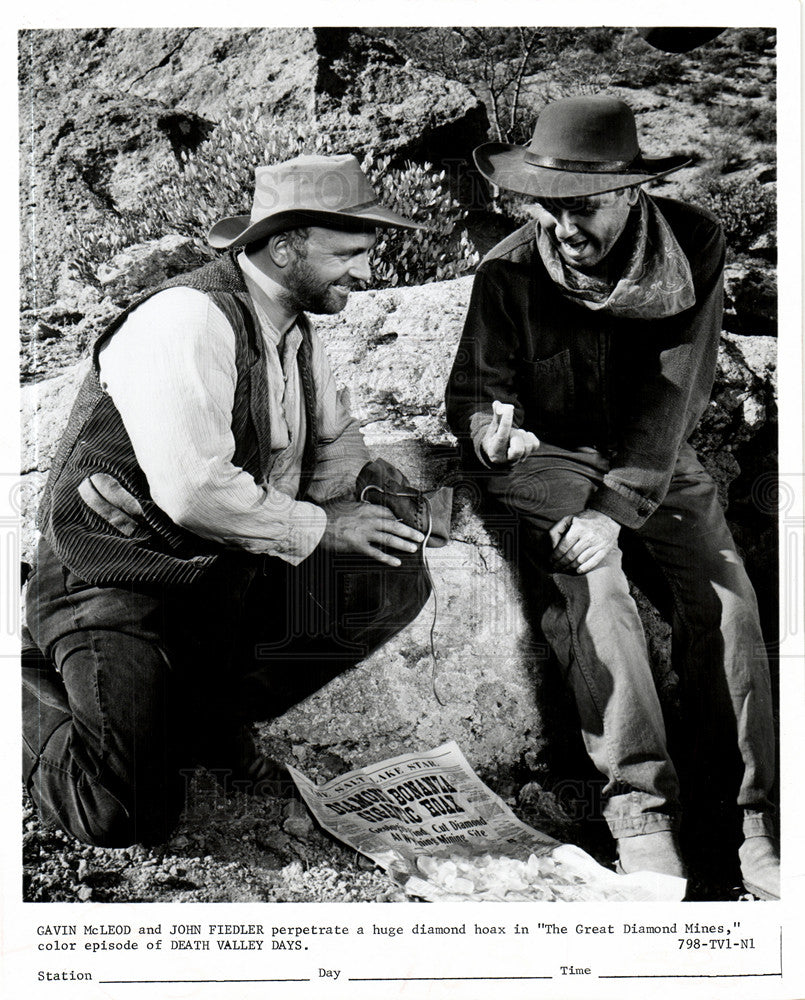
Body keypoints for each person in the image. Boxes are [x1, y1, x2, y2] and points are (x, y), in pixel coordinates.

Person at [23, 154, 432, 848]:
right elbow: (192, 491)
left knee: (385, 575)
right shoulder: (186, 318)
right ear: (282, 246)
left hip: (216, 586)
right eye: (348, 255)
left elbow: (337, 437)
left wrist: (360, 500)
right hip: (117, 586)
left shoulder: (295, 329)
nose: (364, 275)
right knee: (118, 813)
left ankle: (196, 718)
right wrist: (321, 523)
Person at [446, 96, 779, 899]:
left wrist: (616, 504)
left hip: (651, 455)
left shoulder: (691, 242)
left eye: (583, 206)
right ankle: (642, 816)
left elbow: (677, 390)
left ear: (631, 192)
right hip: (549, 456)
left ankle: (750, 824)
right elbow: (476, 391)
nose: (563, 227)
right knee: (596, 590)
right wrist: (491, 434)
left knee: (729, 605)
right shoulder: (509, 269)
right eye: (547, 207)